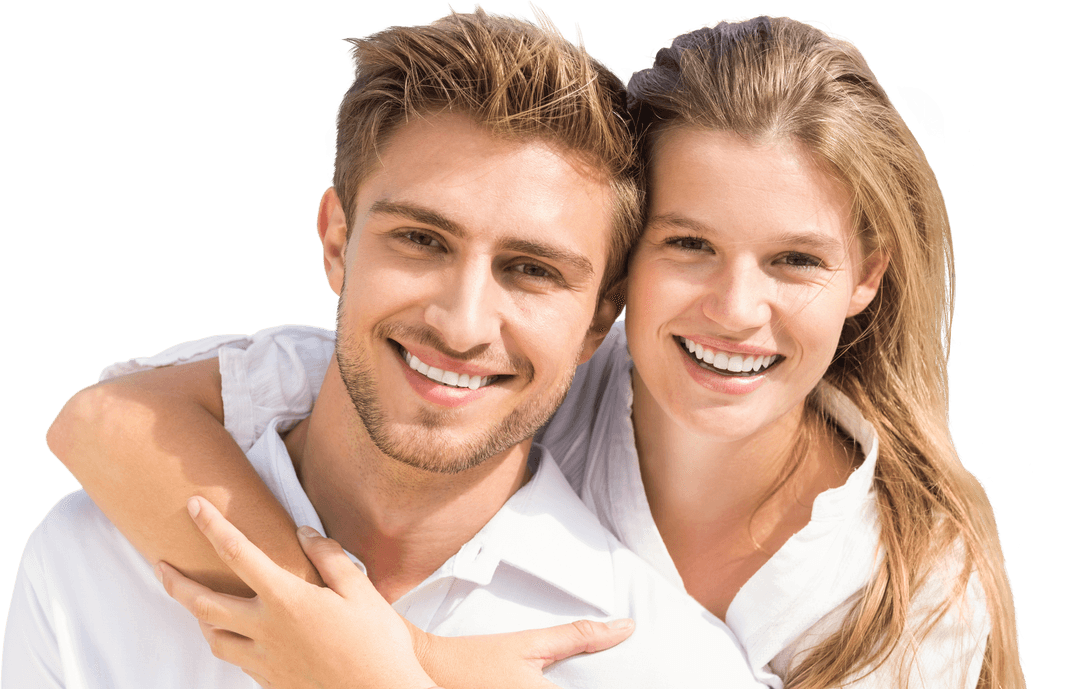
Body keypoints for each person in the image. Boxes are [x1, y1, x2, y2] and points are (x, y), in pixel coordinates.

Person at [29, 12, 1025, 689]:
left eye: (796, 259)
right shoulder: (522, 370)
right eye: (688, 244)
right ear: (623, 284)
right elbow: (112, 419)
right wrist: (355, 641)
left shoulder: (909, 590)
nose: (735, 307)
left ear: (867, 276)